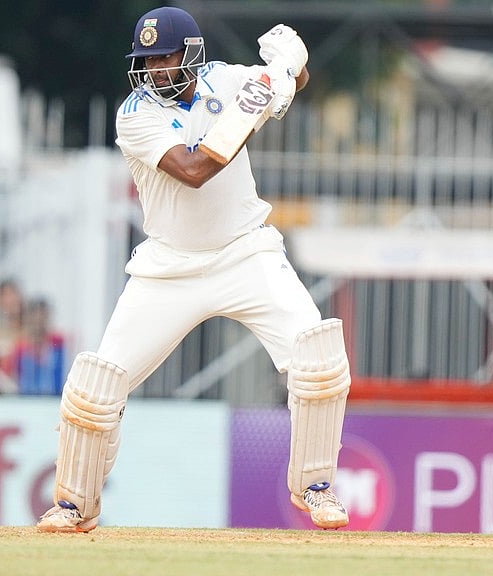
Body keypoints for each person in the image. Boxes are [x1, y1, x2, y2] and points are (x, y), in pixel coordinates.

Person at [37, 7, 351, 533]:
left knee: (316, 357)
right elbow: (195, 169)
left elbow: (295, 79)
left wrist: (287, 66)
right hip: (170, 266)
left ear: (191, 54)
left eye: (166, 57)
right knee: (96, 386)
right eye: (148, 60)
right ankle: (75, 504)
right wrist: (252, 108)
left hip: (246, 251)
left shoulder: (226, 79)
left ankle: (316, 487)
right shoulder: (135, 115)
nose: (158, 69)